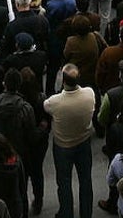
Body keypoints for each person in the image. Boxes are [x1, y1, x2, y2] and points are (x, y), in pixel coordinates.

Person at [44, 64, 96, 218]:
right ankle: (86, 213)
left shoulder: (54, 102)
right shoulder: (89, 94)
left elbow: (45, 106)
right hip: (84, 142)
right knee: (85, 180)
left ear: (63, 81)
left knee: (64, 181)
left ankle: (66, 212)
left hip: (63, 146)